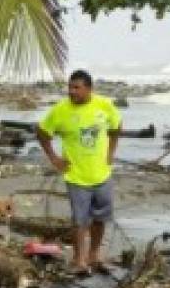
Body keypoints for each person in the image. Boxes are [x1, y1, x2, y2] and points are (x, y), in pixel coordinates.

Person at [35, 69, 122, 274]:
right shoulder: (60, 110)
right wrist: (54, 158)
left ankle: (94, 255)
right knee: (79, 220)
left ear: (89, 89)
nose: (71, 91)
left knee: (100, 218)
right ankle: (78, 260)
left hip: (102, 174)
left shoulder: (104, 105)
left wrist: (111, 152)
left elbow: (117, 127)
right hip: (76, 176)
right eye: (70, 87)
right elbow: (42, 132)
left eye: (77, 87)